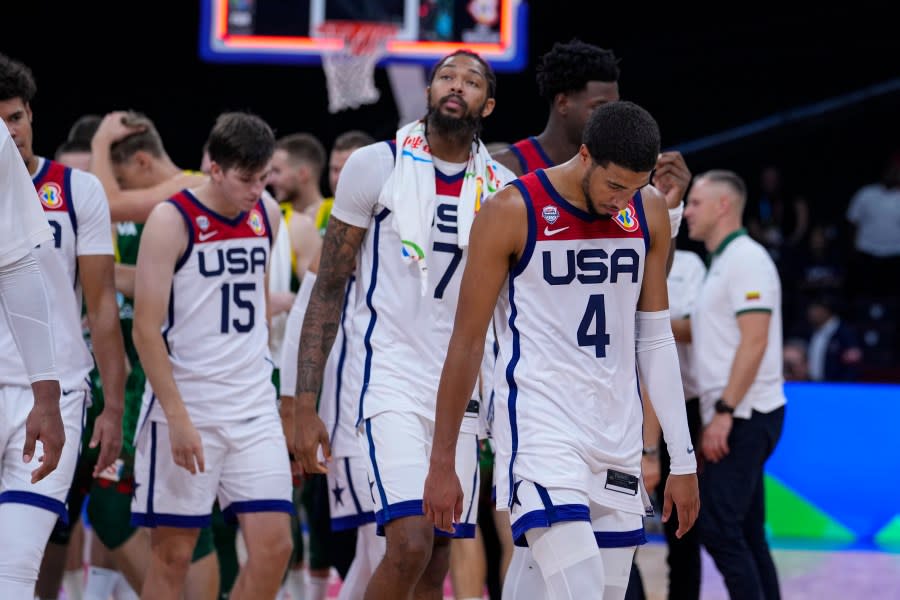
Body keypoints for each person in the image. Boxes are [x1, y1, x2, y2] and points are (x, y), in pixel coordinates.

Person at [422, 101, 700, 600]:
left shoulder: (648, 208)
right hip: (539, 429)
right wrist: (445, 460)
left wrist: (683, 460)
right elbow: (465, 344)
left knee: (572, 588)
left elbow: (655, 340)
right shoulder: (511, 210)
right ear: (587, 156)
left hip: (615, 432)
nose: (623, 200)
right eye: (615, 185)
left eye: (634, 188)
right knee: (583, 591)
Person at [290, 49, 514, 599]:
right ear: (431, 91)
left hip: (462, 389)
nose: (455, 85)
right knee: (409, 541)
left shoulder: (504, 189)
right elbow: (327, 288)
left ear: (488, 102)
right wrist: (303, 403)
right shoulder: (375, 164)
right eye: (444, 76)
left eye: (470, 80)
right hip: (386, 380)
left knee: (437, 555)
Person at [131, 112, 293, 600]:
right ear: (214, 168)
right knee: (173, 556)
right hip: (188, 406)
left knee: (275, 548)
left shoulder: (264, 211)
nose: (256, 189)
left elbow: (258, 303)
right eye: (246, 179)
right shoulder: (170, 218)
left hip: (251, 406)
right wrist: (178, 417)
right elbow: (144, 329)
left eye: (263, 177)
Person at [1, 53, 125, 597]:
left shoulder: (77, 191)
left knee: (16, 570)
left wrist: (114, 406)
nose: (9, 132)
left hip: (52, 396)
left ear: (31, 115)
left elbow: (101, 307)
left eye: (15, 118)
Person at [84, 110, 221, 600]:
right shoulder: (192, 192)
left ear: (141, 162)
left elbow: (106, 206)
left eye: (119, 171)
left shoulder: (191, 187)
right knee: (177, 517)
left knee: (133, 510)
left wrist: (100, 142)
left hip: (178, 367)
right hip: (171, 363)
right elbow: (146, 283)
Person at [683, 169, 786, 600]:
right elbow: (701, 329)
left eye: (694, 203)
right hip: (740, 412)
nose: (687, 212)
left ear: (723, 206)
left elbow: (755, 339)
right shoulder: (721, 263)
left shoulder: (746, 259)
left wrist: (724, 412)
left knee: (720, 529)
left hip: (744, 414)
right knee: (745, 530)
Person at [804, 296, 862, 382]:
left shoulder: (845, 333)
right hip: (813, 384)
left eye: (816, 309)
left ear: (826, 311)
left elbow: (852, 365)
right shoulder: (810, 331)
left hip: (836, 387)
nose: (811, 313)